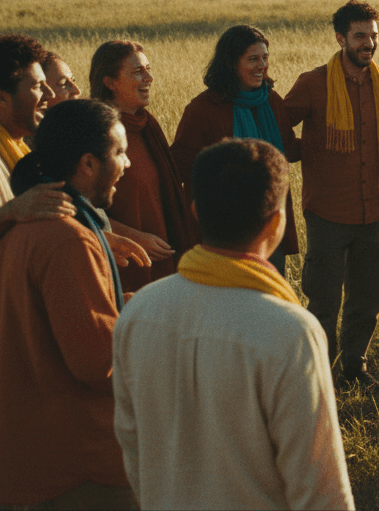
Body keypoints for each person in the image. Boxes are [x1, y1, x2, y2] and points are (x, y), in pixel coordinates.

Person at [113, 139, 355, 510]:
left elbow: (131, 444)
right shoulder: (290, 331)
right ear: (277, 222)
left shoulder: (138, 312)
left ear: (195, 211)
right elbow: (320, 488)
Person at [0, 99, 135, 509]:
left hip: (19, 457)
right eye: (119, 152)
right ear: (87, 163)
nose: (127, 163)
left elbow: (52, 323)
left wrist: (135, 305)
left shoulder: (23, 225)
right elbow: (98, 363)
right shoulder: (68, 238)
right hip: (72, 467)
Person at [284, 0, 379, 388]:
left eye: (374, 36)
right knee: (323, 298)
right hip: (326, 210)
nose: (369, 43)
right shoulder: (313, 82)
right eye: (360, 36)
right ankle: (321, 372)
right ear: (340, 38)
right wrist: (302, 151)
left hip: (373, 208)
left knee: (367, 298)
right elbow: (277, 122)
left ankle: (355, 367)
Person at [172, 24, 300, 275]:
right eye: (253, 59)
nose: (261, 65)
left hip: (267, 224)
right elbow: (181, 165)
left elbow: (286, 149)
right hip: (221, 233)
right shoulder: (203, 108)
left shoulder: (271, 101)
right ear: (231, 63)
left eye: (265, 58)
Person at [92, 40, 199, 292]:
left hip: (162, 259)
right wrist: (133, 237)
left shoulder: (146, 124)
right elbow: (77, 206)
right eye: (138, 72)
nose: (149, 77)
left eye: (148, 69)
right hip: (122, 263)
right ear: (110, 82)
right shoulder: (95, 131)